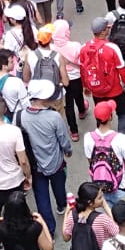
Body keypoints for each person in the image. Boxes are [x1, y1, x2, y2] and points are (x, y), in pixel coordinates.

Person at [18, 79, 72, 237]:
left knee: (42, 198)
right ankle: (62, 205)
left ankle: (49, 230)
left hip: (35, 165)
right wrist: (68, 150)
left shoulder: (20, 116)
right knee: (59, 186)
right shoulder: (54, 117)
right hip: (55, 162)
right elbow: (63, 139)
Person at [80, 16, 125, 135]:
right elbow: (122, 71)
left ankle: (103, 138)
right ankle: (121, 137)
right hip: (115, 90)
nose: (108, 30)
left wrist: (86, 86)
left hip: (96, 90)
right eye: (107, 28)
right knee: (123, 113)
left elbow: (83, 70)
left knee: (101, 115)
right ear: (103, 31)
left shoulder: (84, 48)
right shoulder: (112, 47)